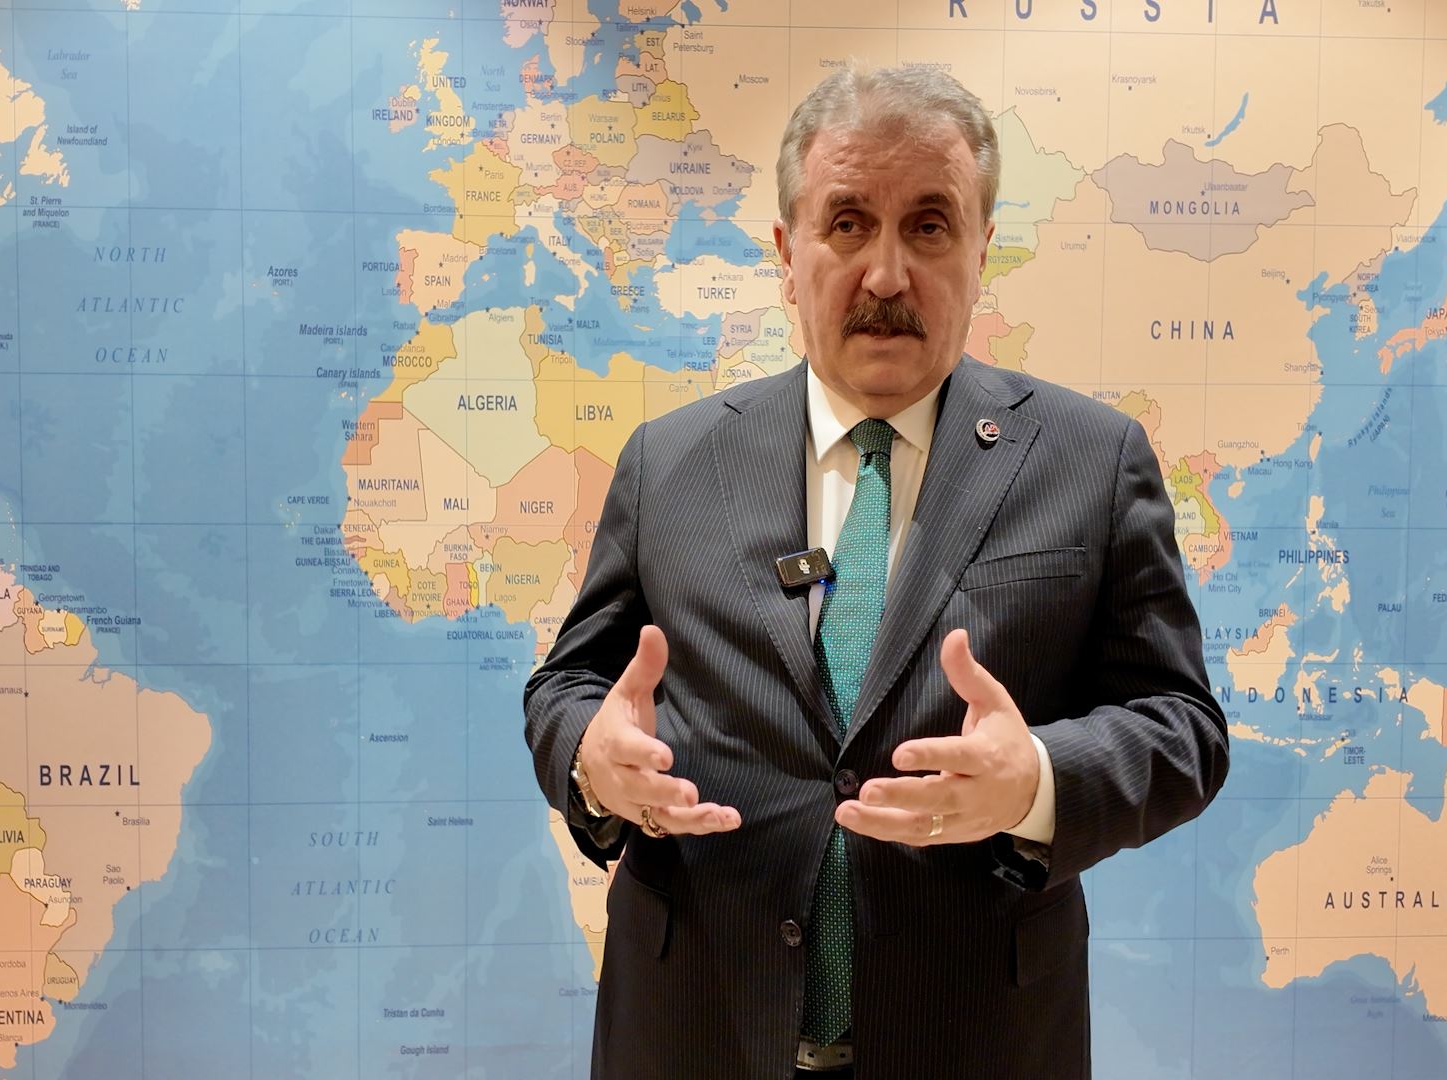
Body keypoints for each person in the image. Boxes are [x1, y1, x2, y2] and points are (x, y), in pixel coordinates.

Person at [524, 64, 1227, 1080]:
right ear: (787, 252)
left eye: (929, 226)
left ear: (982, 251)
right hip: (695, 1033)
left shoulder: (1092, 462)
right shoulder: (668, 464)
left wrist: (1034, 780)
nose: (887, 276)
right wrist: (592, 756)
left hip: (977, 1042)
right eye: (848, 223)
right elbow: (568, 685)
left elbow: (1183, 726)